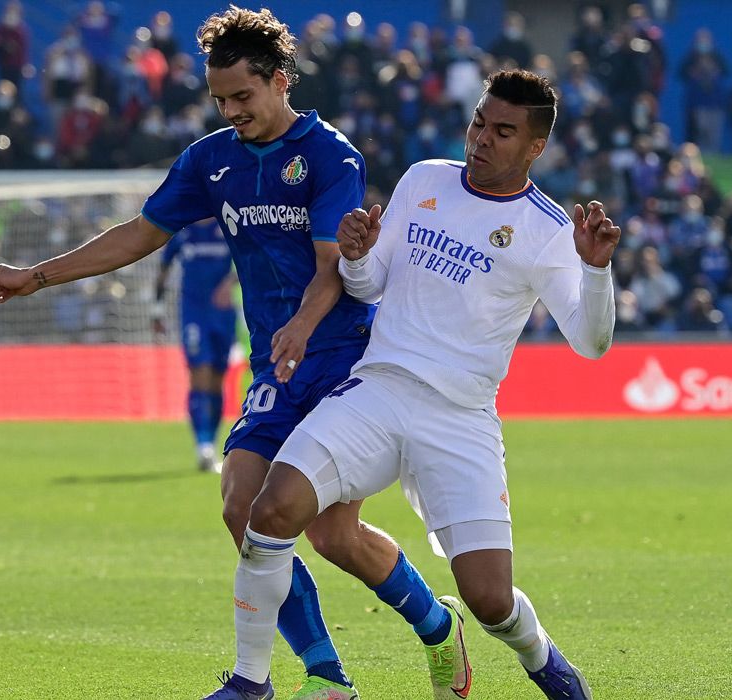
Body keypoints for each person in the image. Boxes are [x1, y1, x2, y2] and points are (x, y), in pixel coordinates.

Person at [0, 8, 464, 700]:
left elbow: (335, 263)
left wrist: (301, 324)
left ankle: (435, 626)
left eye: (243, 97)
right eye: (220, 101)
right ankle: (324, 676)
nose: (232, 111)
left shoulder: (331, 155)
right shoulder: (212, 160)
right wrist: (38, 275)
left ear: (279, 81)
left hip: (344, 363)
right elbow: (140, 234)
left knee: (333, 535)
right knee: (241, 502)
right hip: (279, 366)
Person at [226, 69, 618, 700]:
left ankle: (542, 658)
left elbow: (591, 343)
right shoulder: (424, 179)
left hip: (460, 417)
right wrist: (357, 253)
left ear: (535, 147)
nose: (482, 139)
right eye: (479, 122)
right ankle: (252, 683)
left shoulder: (547, 229)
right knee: (268, 511)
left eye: (503, 131)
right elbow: (366, 286)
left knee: (490, 601)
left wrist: (596, 271)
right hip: (378, 390)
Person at [152, 217, 238, 473]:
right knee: (199, 375)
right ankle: (203, 446)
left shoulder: (227, 226)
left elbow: (252, 258)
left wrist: (229, 283)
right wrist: (156, 312)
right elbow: (163, 271)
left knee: (216, 380)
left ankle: (210, 444)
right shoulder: (182, 232)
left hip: (223, 314)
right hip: (193, 314)